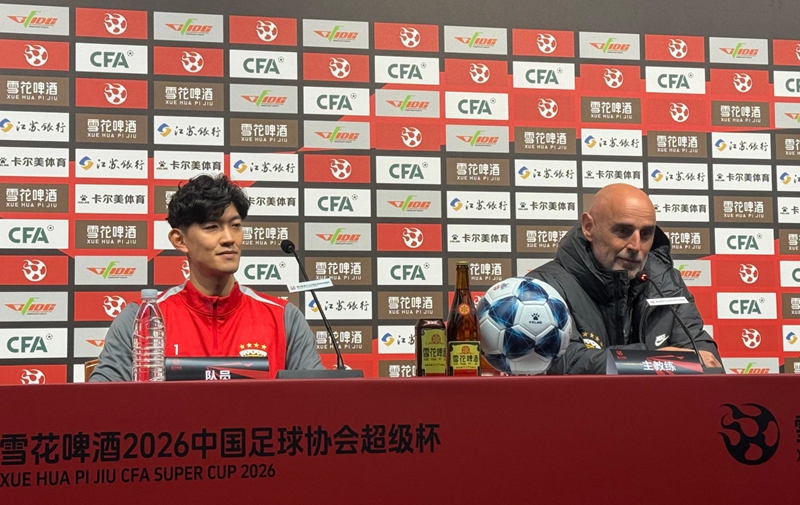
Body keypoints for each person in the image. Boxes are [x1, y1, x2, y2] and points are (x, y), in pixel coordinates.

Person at [90, 174, 323, 381]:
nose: (229, 238)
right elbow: (102, 401)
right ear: (179, 240)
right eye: (212, 227)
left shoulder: (284, 318)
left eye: (236, 225)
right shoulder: (142, 319)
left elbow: (315, 400)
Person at [527, 183, 722, 374]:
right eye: (623, 231)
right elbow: (561, 360)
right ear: (589, 227)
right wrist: (653, 360)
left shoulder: (666, 282)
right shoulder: (543, 288)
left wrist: (660, 362)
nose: (636, 246)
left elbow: (706, 359)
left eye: (646, 234)